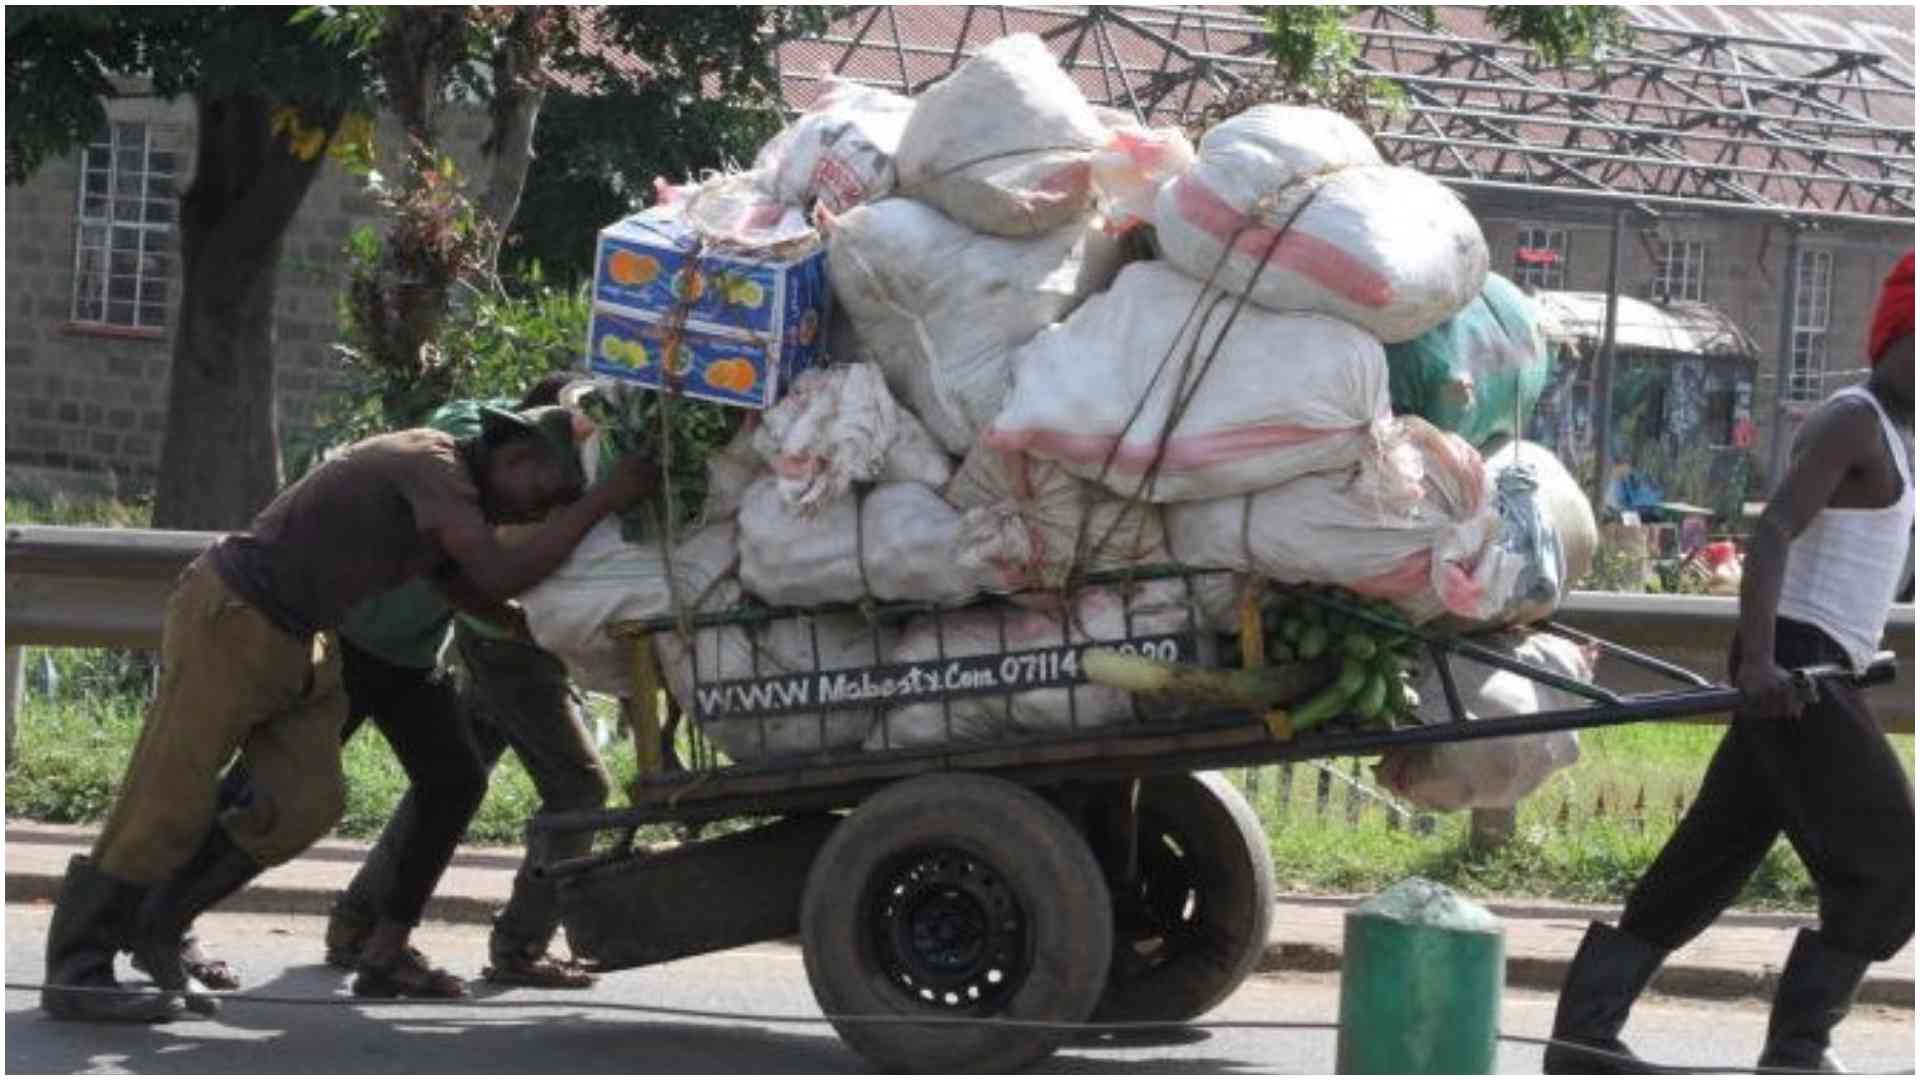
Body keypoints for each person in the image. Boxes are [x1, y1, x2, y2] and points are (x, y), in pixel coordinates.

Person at [41, 398, 658, 1023]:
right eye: (545, 494)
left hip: (303, 639)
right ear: (515, 456)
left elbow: (471, 592)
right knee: (169, 795)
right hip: (233, 613)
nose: (541, 511)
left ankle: (158, 928)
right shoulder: (432, 464)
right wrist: (602, 499)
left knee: (307, 803)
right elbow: (497, 573)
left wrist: (567, 636)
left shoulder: (457, 500)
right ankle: (76, 968)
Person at [1544, 251, 1915, 1074]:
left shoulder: (1902, 431)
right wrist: (1760, 662)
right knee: (1892, 860)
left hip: (1820, 670)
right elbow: (1774, 529)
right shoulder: (1852, 419)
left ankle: (1583, 1036)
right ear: (1901, 333)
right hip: (1797, 667)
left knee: (1710, 858)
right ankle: (1797, 1050)